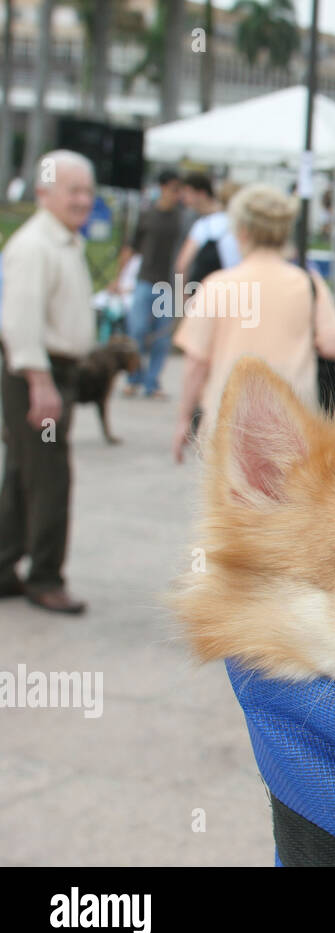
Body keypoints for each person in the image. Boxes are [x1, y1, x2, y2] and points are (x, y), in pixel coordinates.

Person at [171, 184, 335, 462]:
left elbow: (196, 362)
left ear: (242, 232)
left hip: (228, 421)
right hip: (295, 422)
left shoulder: (218, 285)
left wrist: (184, 418)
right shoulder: (308, 283)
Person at [0, 150, 98, 614]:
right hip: (37, 376)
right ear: (44, 193)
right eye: (73, 190)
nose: (83, 200)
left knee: (23, 473)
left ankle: (4, 566)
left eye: (87, 191)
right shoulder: (35, 245)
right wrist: (41, 383)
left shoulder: (62, 241)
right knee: (49, 478)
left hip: (55, 373)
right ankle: (44, 576)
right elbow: (18, 322)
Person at [113, 169, 186, 399]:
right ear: (163, 188)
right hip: (145, 281)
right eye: (174, 189)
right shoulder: (147, 215)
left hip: (168, 284)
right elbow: (131, 248)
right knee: (137, 331)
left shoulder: (182, 218)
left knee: (161, 337)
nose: (177, 194)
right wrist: (118, 278)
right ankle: (134, 378)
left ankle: (152, 383)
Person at [173, 174, 240, 287]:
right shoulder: (245, 229)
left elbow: (181, 266)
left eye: (188, 193)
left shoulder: (205, 224)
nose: (184, 199)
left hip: (203, 291)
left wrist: (183, 298)